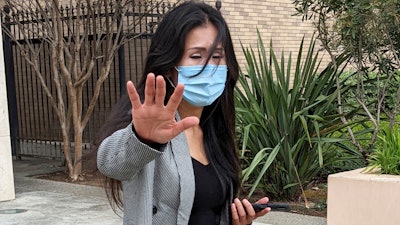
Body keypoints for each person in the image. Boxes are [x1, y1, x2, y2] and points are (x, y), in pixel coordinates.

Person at [95, 1, 270, 224]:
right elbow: (110, 163)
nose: (209, 67)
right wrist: (143, 138)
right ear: (169, 65)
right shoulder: (151, 127)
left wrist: (236, 220)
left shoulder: (214, 129)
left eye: (217, 57)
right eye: (196, 57)